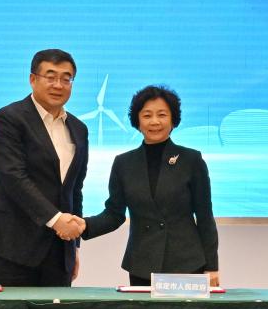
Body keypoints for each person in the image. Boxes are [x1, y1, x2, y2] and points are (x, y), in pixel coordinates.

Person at [81, 85, 219, 286]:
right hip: (142, 263)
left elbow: (205, 216)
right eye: (147, 115)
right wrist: (84, 225)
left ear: (173, 119)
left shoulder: (191, 160)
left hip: (187, 262)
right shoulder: (123, 163)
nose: (155, 121)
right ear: (137, 121)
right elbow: (114, 214)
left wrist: (212, 267)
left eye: (162, 114)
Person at [0, 49, 89, 287]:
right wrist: (56, 220)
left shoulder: (79, 129)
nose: (58, 85)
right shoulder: (9, 119)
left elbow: (74, 190)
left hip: (59, 252)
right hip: (11, 247)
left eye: (66, 78)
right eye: (51, 76)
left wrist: (74, 246)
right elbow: (13, 177)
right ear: (33, 79)